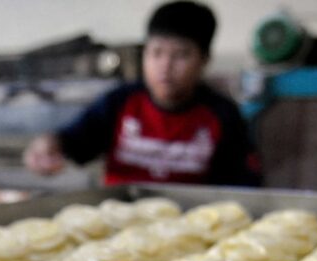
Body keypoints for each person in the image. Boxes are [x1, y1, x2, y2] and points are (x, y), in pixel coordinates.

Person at [24, 1, 261, 187]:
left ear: (204, 60)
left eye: (180, 55)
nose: (165, 66)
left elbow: (241, 187)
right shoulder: (120, 102)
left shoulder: (221, 114)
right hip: (120, 221)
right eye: (156, 53)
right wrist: (47, 147)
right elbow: (71, 142)